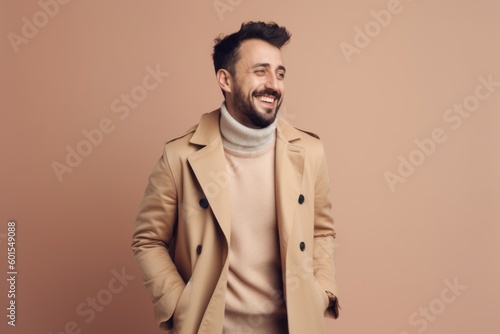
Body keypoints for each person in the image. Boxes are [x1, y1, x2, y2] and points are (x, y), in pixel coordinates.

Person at [132, 21, 339, 334]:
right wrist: (179, 305)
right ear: (225, 80)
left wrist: (321, 292)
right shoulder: (180, 156)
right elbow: (148, 240)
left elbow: (321, 231)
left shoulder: (309, 152)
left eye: (280, 73)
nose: (274, 84)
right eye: (260, 71)